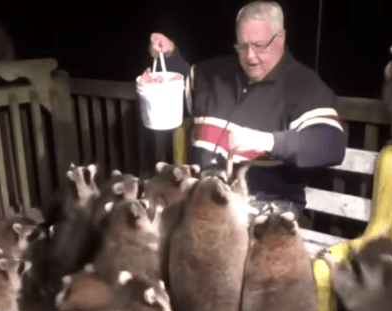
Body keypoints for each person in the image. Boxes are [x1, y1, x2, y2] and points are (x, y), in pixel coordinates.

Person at [147, 1, 346, 223]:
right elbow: (174, 89)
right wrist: (168, 56)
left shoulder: (304, 86)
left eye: (259, 46)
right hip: (203, 200)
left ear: (280, 38)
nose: (250, 56)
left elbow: (332, 144)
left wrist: (267, 142)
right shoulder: (212, 74)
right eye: (243, 46)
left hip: (265, 209)